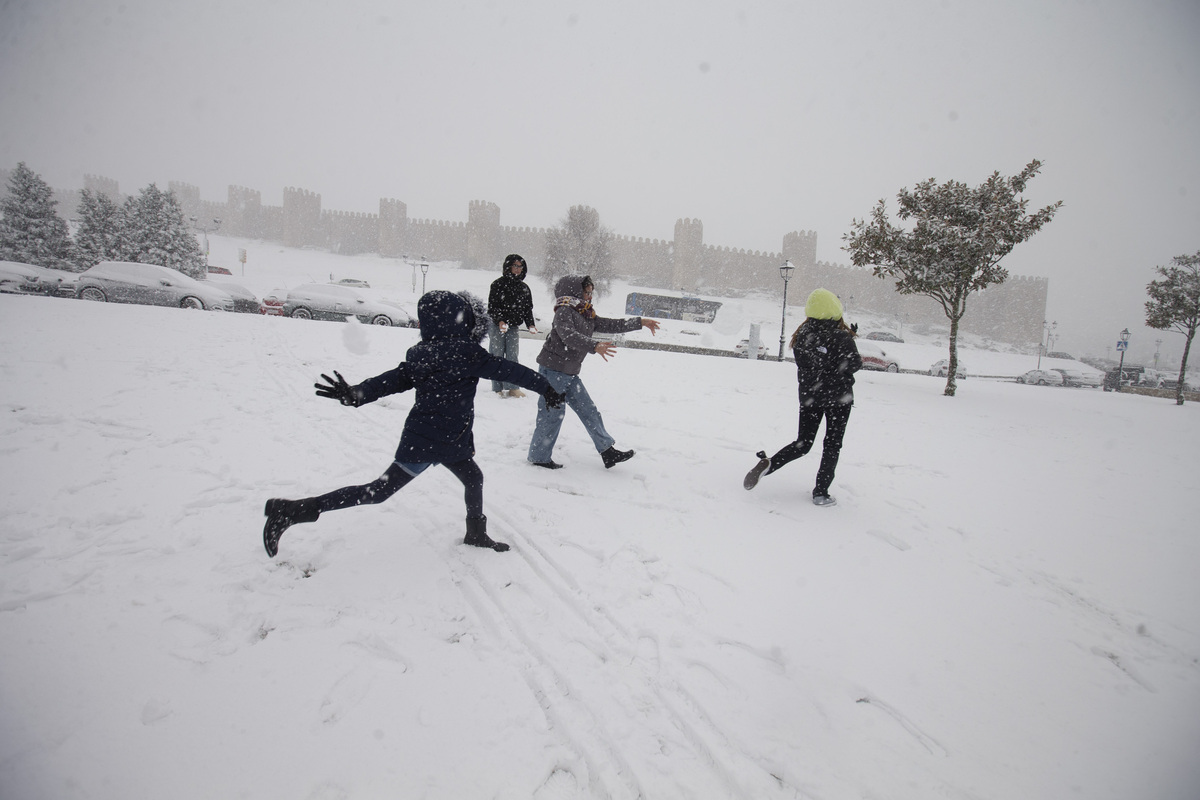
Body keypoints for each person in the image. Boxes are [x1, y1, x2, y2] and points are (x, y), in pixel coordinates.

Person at [262, 290, 565, 558]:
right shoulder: (468, 353)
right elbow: (512, 371)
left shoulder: (421, 354)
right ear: (461, 321)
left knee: (464, 479)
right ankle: (291, 510)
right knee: (393, 490)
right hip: (443, 440)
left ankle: (475, 533)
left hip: (427, 438)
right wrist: (547, 388)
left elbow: (390, 381)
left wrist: (357, 393)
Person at [743, 288, 862, 506]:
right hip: (839, 399)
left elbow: (811, 364)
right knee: (832, 444)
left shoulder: (802, 334)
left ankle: (770, 464)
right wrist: (846, 344)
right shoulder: (841, 336)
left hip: (811, 398)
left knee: (803, 442)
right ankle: (821, 492)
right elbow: (854, 364)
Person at [527, 274, 660, 470]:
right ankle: (539, 456)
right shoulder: (564, 311)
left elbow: (611, 324)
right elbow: (568, 336)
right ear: (574, 291)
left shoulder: (586, 314)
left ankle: (607, 451)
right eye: (586, 292)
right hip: (553, 370)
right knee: (552, 414)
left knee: (589, 411)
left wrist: (639, 322)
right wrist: (594, 345)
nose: (589, 296)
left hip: (570, 372)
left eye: (591, 292)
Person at [487, 253, 539, 398]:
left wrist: (530, 325)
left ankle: (513, 387)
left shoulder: (524, 288)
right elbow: (492, 307)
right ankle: (497, 387)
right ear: (508, 266)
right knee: (497, 356)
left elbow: (527, 309)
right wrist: (500, 321)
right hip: (498, 327)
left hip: (513, 327)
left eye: (520, 266)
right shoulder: (497, 284)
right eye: (515, 266)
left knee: (512, 356)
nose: (517, 269)